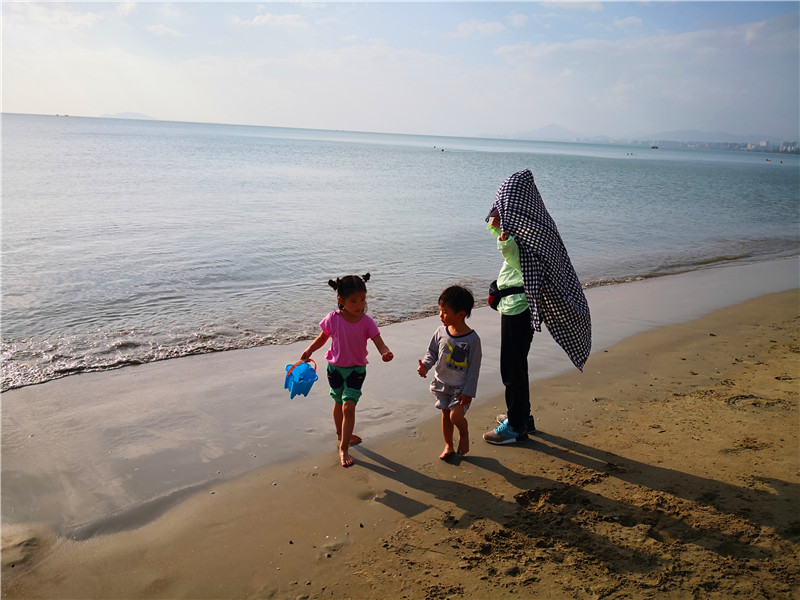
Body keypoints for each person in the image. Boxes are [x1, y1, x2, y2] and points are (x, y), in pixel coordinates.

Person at [483, 169, 591, 445]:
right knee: (518, 365)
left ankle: (515, 427)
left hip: (519, 306)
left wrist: (504, 237)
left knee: (511, 368)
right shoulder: (535, 227)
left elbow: (515, 256)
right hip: (520, 304)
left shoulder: (524, 237)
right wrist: (500, 228)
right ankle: (523, 417)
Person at [301, 273, 393, 467]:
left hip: (356, 370)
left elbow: (378, 341)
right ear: (340, 300)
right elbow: (323, 338)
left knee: (348, 406)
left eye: (362, 299)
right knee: (337, 402)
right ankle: (341, 433)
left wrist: (386, 352)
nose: (359, 304)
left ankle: (343, 447)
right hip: (334, 369)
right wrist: (309, 349)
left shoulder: (367, 321)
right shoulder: (333, 319)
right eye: (353, 301)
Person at [417, 286, 482, 460]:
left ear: (461, 314)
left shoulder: (472, 339)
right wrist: (425, 365)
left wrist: (469, 392)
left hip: (461, 388)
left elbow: (474, 368)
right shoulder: (440, 332)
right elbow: (432, 352)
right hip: (442, 383)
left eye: (445, 312)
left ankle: (464, 434)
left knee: (455, 415)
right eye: (440, 311)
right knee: (446, 415)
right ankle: (448, 445)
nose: (440, 315)